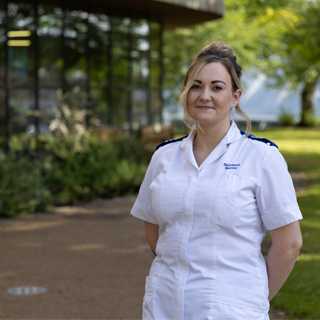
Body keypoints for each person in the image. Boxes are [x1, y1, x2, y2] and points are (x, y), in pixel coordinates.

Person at [131, 41, 303, 320]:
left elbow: (290, 243)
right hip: (164, 305)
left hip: (231, 311)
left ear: (235, 97)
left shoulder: (261, 157)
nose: (205, 96)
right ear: (186, 93)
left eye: (217, 87)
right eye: (196, 86)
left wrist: (252, 297)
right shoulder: (164, 157)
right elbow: (154, 232)